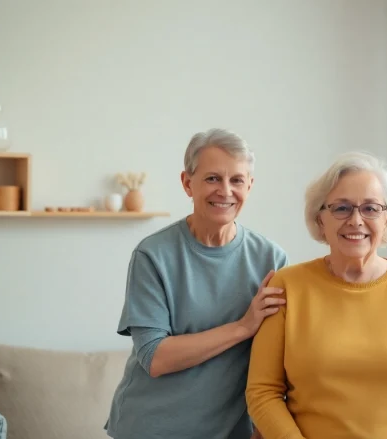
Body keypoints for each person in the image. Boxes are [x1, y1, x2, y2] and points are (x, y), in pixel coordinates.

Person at [244, 151, 387, 439]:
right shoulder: (287, 286)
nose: (356, 220)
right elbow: (262, 392)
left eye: (370, 208)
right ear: (320, 219)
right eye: (341, 208)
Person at [104, 128, 289, 439]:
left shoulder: (271, 259)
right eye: (213, 178)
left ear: (250, 185)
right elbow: (154, 357)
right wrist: (243, 327)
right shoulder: (153, 255)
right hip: (152, 430)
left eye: (237, 180)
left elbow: (275, 363)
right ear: (187, 183)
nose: (225, 191)